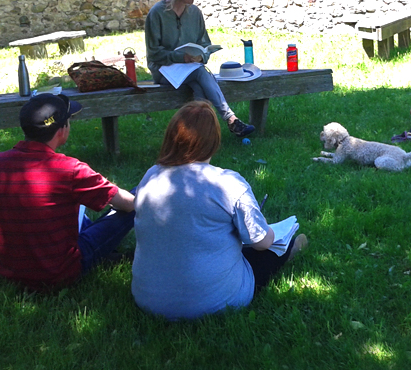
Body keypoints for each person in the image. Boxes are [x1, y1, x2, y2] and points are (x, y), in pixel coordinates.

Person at [131, 101, 308, 320]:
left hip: (147, 297)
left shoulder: (150, 175)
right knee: (271, 249)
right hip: (213, 302)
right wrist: (268, 231)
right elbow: (262, 241)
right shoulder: (228, 183)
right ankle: (291, 249)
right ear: (214, 141)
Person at [0, 94, 136, 290]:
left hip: (10, 273)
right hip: (62, 272)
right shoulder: (71, 169)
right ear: (62, 129)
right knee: (138, 197)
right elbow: (129, 204)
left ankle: (107, 255)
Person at [145, 0, 255, 138]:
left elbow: (204, 43)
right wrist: (182, 57)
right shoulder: (157, 13)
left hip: (190, 69)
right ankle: (230, 118)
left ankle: (198, 134)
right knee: (200, 74)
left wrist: (201, 55)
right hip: (163, 70)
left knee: (198, 83)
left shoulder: (195, 13)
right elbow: (153, 54)